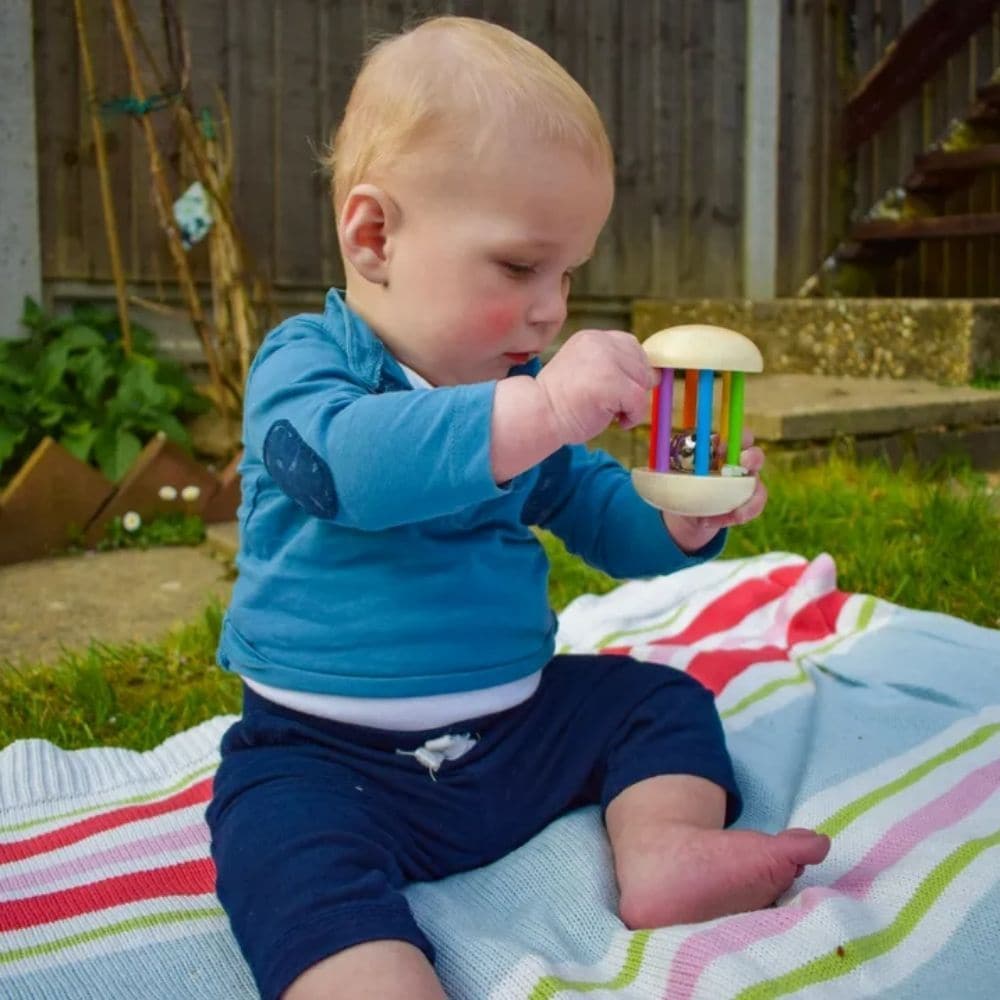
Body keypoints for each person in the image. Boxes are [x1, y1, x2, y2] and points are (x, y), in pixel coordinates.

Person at [205, 15, 830, 1000]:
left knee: (653, 700)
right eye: (517, 266)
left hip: (512, 737)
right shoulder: (308, 367)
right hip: (328, 758)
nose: (551, 307)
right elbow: (349, 473)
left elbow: (587, 505)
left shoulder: (518, 395)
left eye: (567, 272)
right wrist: (538, 411)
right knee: (283, 852)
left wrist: (675, 520)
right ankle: (371, 975)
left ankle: (663, 849)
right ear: (374, 236)